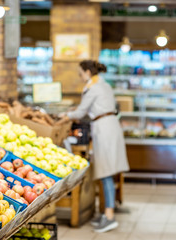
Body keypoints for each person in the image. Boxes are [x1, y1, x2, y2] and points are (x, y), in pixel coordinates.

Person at [59, 60, 130, 233]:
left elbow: (81, 112)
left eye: (81, 73)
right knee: (107, 172)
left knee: (105, 174)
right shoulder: (102, 84)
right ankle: (107, 213)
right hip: (109, 127)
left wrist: (65, 115)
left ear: (88, 72)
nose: (80, 76)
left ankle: (110, 216)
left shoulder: (93, 88)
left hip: (104, 130)